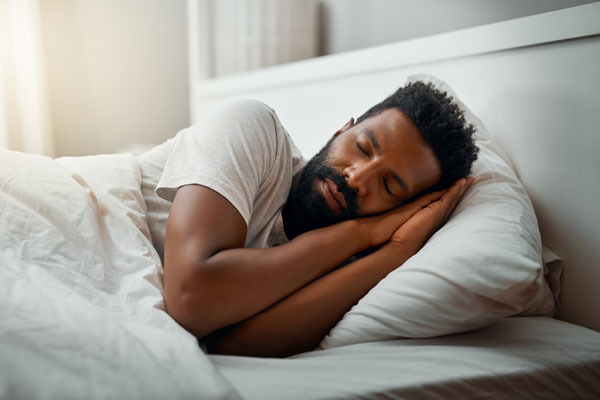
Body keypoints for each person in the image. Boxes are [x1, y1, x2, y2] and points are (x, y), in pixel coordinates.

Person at [136, 81, 479, 358]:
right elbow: (192, 298)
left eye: (388, 185)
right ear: (341, 130)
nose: (356, 179)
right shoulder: (254, 129)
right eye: (362, 147)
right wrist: (364, 231)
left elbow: (234, 347)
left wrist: (396, 251)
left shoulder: (345, 263)